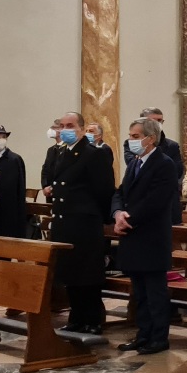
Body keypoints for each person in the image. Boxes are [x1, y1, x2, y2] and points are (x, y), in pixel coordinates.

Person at [111, 117, 180, 354]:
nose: (131, 141)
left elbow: (156, 201)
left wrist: (127, 219)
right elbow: (120, 192)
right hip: (133, 236)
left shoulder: (164, 164)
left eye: (135, 136)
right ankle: (143, 335)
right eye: (130, 136)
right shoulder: (135, 163)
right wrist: (118, 212)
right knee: (139, 293)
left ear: (150, 139)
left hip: (151, 237)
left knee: (155, 293)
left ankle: (159, 338)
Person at [50, 112, 115, 334]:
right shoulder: (62, 152)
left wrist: (99, 217)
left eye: (70, 125)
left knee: (87, 275)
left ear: (81, 128)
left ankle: (92, 319)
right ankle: (76, 317)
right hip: (65, 222)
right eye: (62, 125)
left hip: (84, 223)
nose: (65, 129)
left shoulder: (92, 154)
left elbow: (104, 189)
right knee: (70, 275)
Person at [139, 107, 186, 225]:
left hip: (168, 202)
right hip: (144, 201)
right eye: (154, 121)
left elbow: (177, 171)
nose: (158, 124)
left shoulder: (172, 146)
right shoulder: (133, 145)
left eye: (160, 121)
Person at [0, 125, 29, 240]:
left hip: (6, 208)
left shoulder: (14, 159)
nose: (1, 140)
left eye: (3, 137)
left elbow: (15, 186)